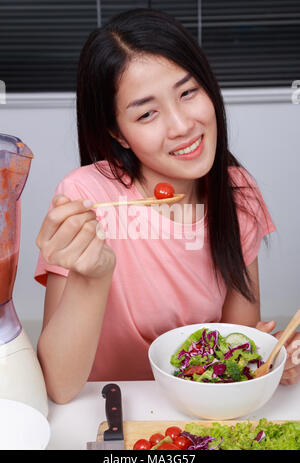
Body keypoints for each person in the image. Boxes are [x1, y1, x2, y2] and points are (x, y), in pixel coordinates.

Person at [34, 8, 299, 404]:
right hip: (108, 408)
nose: (181, 125)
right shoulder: (87, 197)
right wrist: (94, 275)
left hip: (199, 411)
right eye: (147, 113)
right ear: (116, 133)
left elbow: (237, 345)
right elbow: (57, 385)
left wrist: (269, 360)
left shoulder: (237, 192)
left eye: (188, 92)